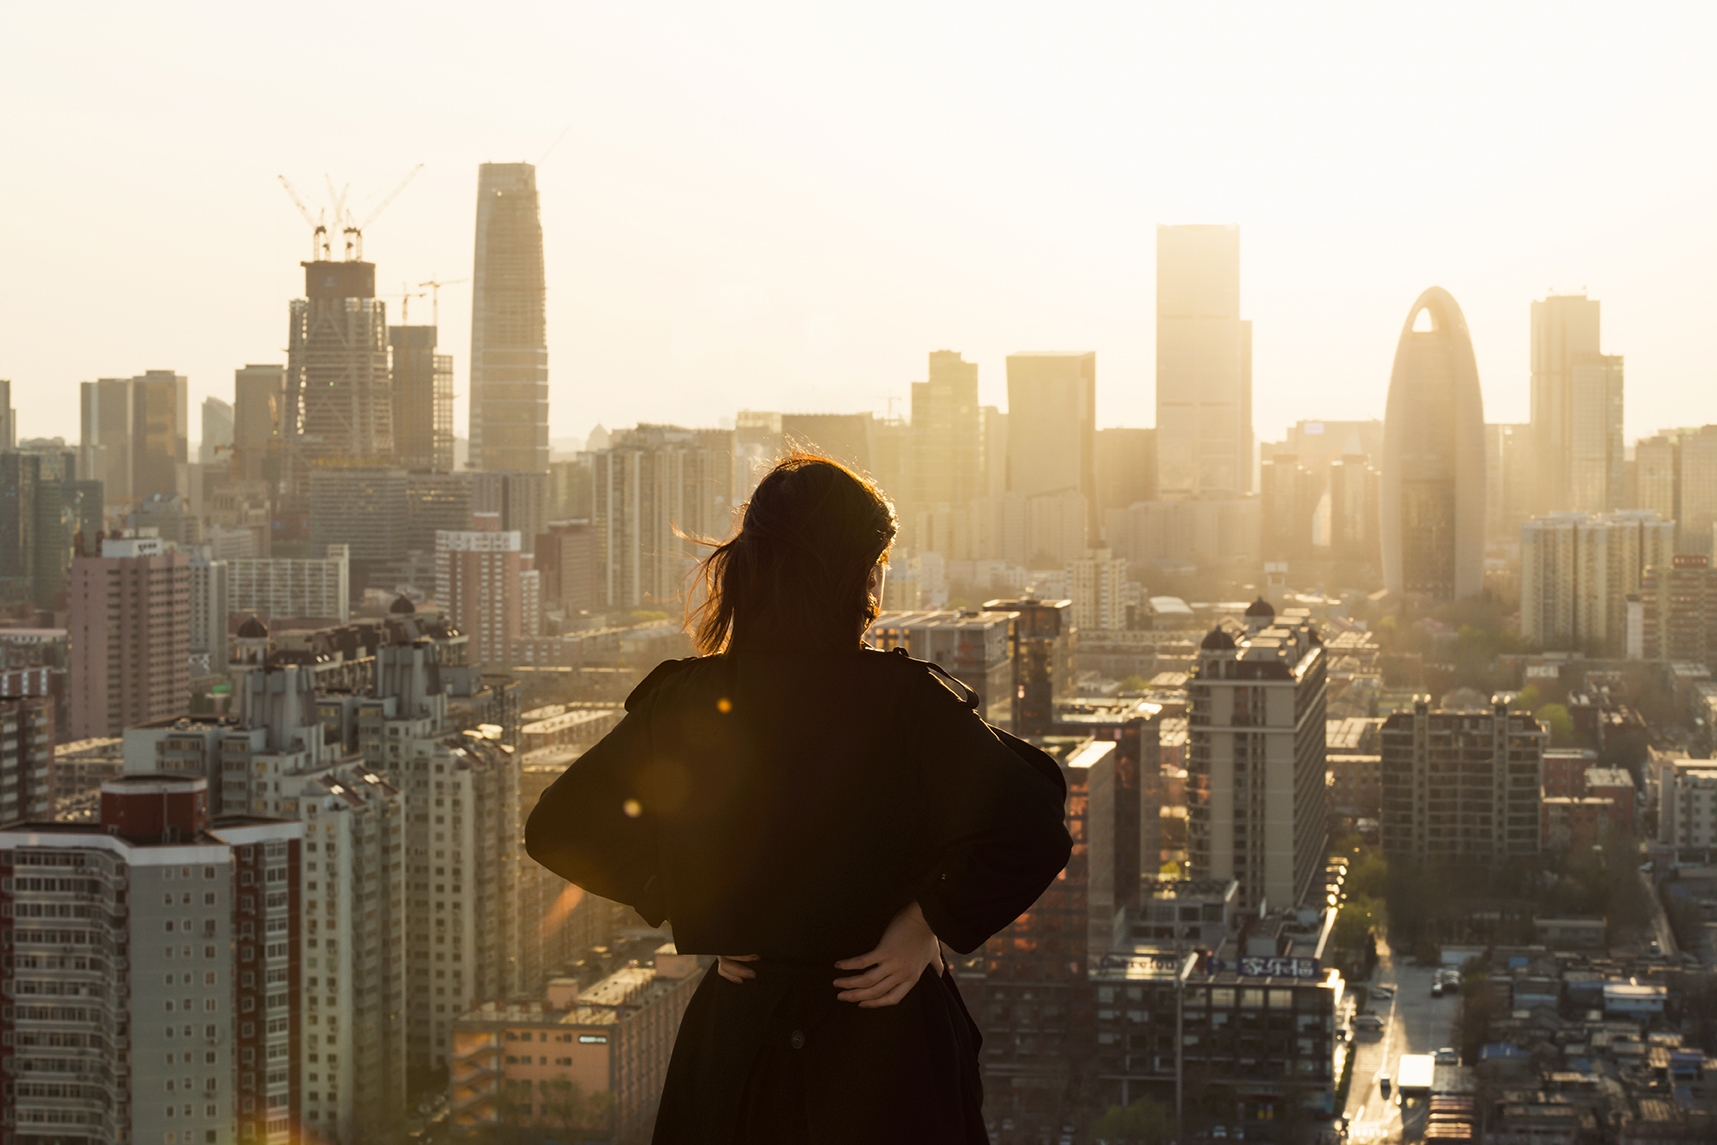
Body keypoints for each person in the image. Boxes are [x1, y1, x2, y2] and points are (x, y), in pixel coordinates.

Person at [526, 454, 1071, 1144]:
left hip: (739, 1052)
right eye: (877, 560)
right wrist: (928, 919)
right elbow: (1033, 823)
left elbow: (562, 825)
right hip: (887, 1049)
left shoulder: (689, 699)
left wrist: (691, 903)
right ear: (858, 574)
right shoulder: (906, 702)